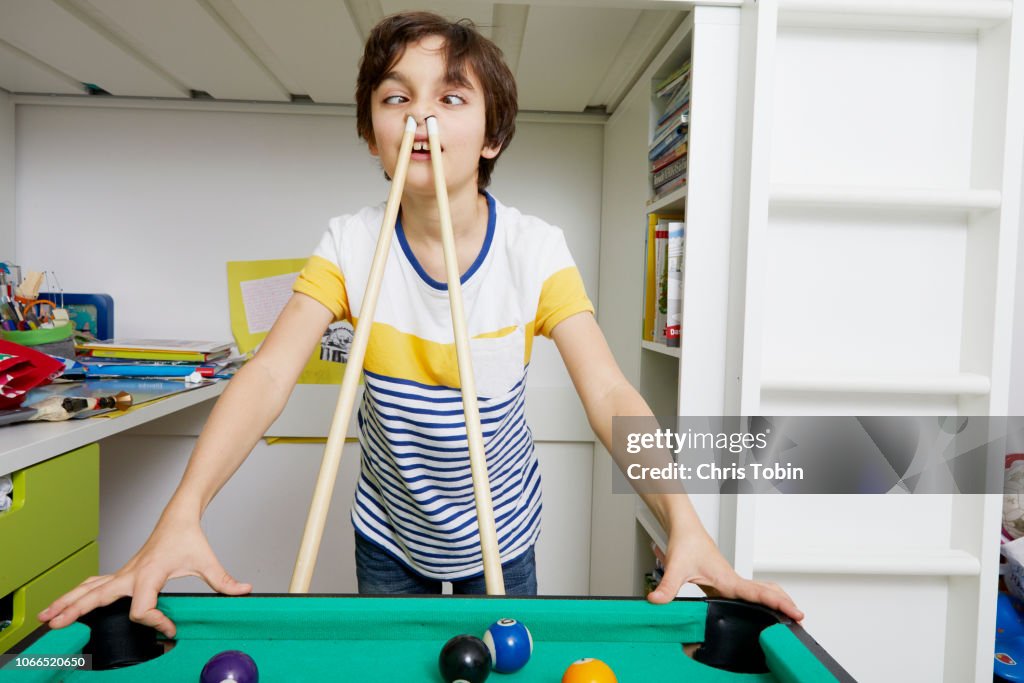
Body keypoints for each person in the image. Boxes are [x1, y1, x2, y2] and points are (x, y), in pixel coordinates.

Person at [39, 11, 802, 638]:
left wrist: (685, 519)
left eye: (452, 98)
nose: (421, 117)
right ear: (372, 137)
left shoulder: (534, 251)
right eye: (396, 99)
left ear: (494, 136)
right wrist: (182, 512)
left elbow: (608, 390)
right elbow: (269, 375)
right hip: (388, 530)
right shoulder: (349, 243)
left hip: (505, 531)